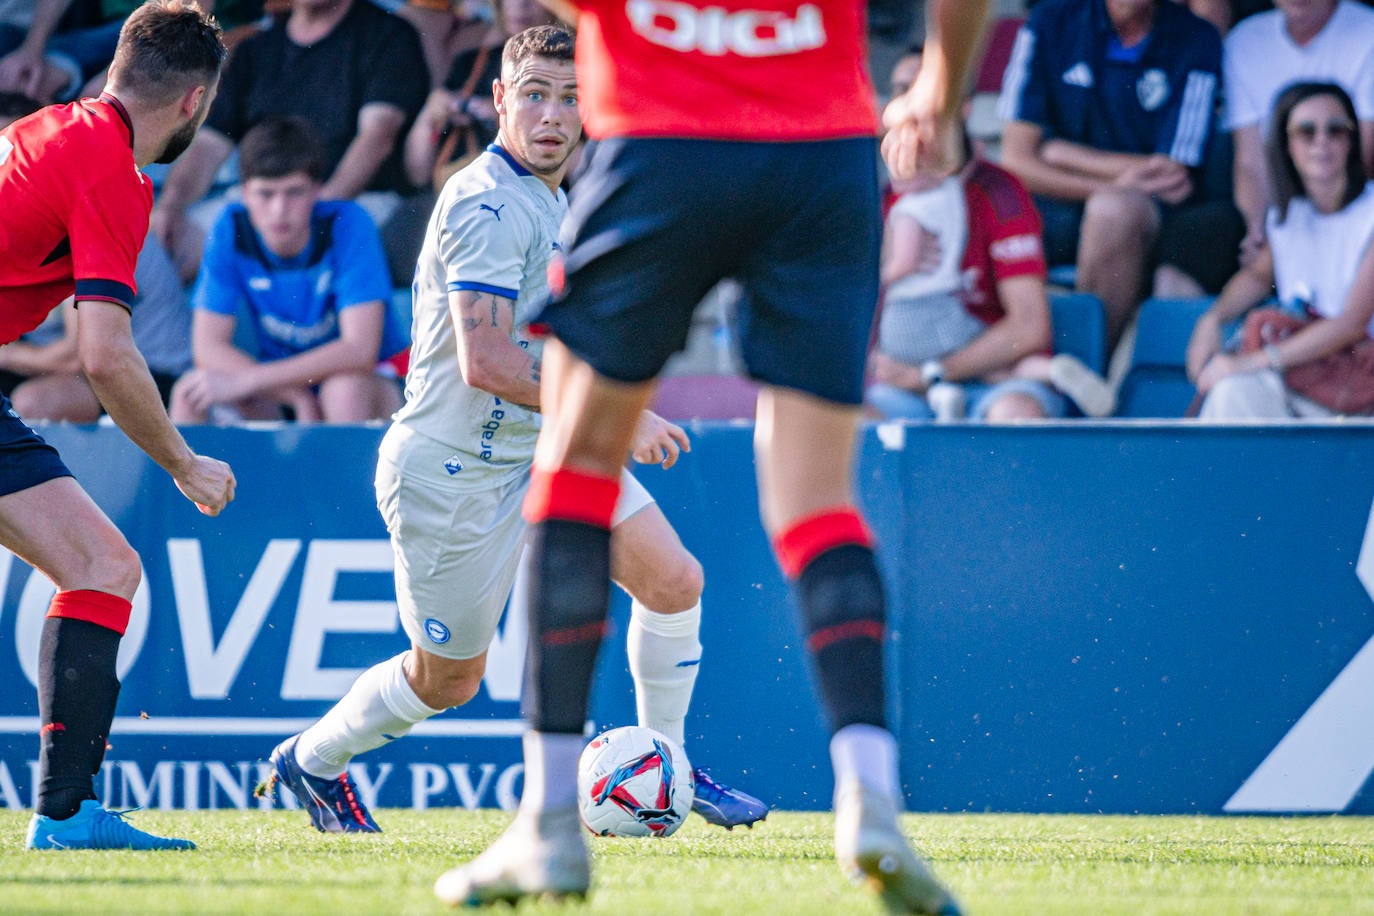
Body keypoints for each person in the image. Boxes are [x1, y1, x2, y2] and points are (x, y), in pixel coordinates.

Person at [431, 0, 989, 912]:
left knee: (575, 475)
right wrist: (940, 86)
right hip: (821, 157)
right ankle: (872, 805)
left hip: (663, 139)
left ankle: (548, 824)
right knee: (817, 504)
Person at [254, 25, 767, 836]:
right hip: (450, 469)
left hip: (539, 450)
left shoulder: (561, 195)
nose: (552, 114)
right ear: (499, 100)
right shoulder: (486, 202)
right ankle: (312, 759)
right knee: (448, 680)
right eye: (534, 93)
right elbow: (487, 361)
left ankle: (664, 764)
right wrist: (619, 414)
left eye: (571, 96)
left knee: (674, 582)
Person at [0, 0, 235, 850]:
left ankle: (66, 816)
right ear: (194, 105)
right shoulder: (113, 169)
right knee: (103, 563)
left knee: (102, 565)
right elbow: (105, 355)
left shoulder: (49, 128)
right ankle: (64, 816)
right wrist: (182, 460)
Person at [997, 0, 1241, 349]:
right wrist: (1111, 182)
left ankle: (1090, 368)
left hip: (1153, 211)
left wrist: (1058, 153)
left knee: (1115, 211)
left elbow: (1171, 173)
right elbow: (1016, 160)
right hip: (1056, 207)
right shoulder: (1050, 22)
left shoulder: (1195, 37)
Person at [150, 0, 429, 282]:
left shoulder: (388, 35)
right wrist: (170, 206)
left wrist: (311, 212)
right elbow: (209, 146)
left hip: (356, 203)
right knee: (160, 250)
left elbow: (377, 138)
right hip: (263, 202)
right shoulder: (256, 50)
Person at [168, 116, 408, 425]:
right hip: (283, 385)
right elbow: (207, 348)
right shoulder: (231, 226)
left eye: (293, 192)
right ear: (244, 193)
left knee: (342, 390)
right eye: (265, 194)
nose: (279, 210)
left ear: (317, 190)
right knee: (190, 392)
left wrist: (255, 380)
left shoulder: (349, 222)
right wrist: (294, 395)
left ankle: (344, 476)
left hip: (367, 380)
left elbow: (359, 350)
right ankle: (210, 477)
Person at [868, 152, 1118, 422]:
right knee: (850, 423)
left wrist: (928, 373)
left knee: (1014, 413)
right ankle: (1048, 370)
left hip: (972, 368)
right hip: (904, 379)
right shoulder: (881, 193)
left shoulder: (996, 189)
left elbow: (1029, 328)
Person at [1189, 82, 1374, 418]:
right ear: (1286, 143)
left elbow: (1352, 323)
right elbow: (1258, 275)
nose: (1322, 141)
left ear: (1351, 140)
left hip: (1359, 385)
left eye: (1336, 129)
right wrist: (1212, 318)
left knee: (1234, 389)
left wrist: (1249, 363)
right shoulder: (1288, 217)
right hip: (1305, 375)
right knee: (1230, 392)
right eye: (1306, 131)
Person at [1222, 0, 1374, 267]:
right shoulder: (1244, 41)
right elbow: (1250, 162)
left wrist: (1307, 229)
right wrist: (1256, 230)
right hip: (1280, 212)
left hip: (1348, 210)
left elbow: (1363, 154)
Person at [5, 231, 193, 422]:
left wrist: (8, 355)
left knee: (33, 402)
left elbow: (75, 357)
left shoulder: (87, 233)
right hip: (98, 366)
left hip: (153, 373)